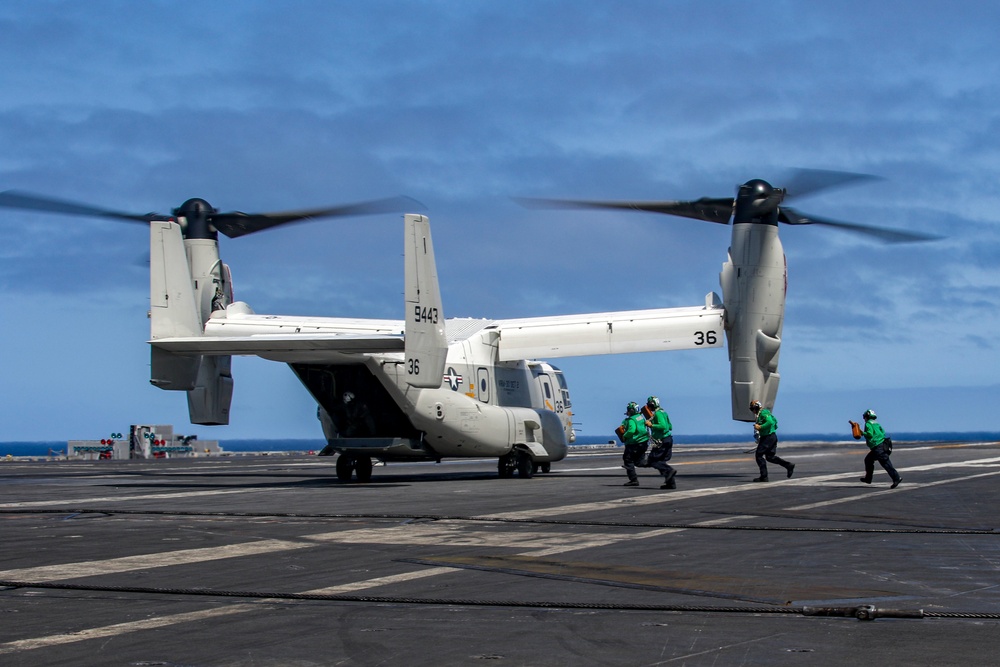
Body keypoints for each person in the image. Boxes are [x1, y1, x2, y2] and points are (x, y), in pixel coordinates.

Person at [850, 409, 901, 488]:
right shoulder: (876, 423)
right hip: (880, 446)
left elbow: (870, 434)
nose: (864, 419)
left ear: (867, 416)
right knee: (868, 460)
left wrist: (862, 433)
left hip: (878, 448)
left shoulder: (868, 424)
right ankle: (868, 479)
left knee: (886, 464)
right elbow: (883, 432)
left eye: (864, 417)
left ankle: (897, 478)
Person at [749, 400, 795, 482]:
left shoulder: (763, 413)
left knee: (759, 455)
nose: (753, 411)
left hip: (768, 437)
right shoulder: (761, 414)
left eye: (753, 409)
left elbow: (770, 422)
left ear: (756, 408)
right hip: (771, 437)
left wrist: (760, 427)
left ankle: (764, 476)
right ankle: (788, 465)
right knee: (770, 457)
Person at [644, 396, 677, 490]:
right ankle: (671, 484)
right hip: (668, 439)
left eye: (649, 404)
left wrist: (652, 425)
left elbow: (663, 426)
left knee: (652, 461)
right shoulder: (664, 412)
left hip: (661, 440)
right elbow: (670, 426)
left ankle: (669, 471)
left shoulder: (658, 414)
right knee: (661, 462)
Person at [618, 401, 649, 487]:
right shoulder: (640, 417)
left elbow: (631, 430)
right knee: (640, 462)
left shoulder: (631, 420)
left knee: (628, 460)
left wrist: (624, 436)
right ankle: (655, 462)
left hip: (634, 443)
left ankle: (633, 479)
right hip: (644, 442)